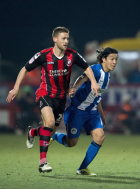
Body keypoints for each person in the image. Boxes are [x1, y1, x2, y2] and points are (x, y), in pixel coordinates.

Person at [6, 27, 100, 173]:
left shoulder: (72, 55)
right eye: (63, 38)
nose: (66, 41)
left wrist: (93, 82)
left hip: (61, 99)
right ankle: (43, 163)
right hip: (45, 94)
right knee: (49, 122)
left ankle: (32, 132)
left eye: (67, 38)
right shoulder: (43, 55)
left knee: (48, 131)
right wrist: (16, 87)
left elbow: (86, 68)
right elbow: (25, 68)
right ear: (55, 39)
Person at [50, 47, 118, 175]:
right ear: (103, 59)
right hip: (77, 111)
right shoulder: (95, 70)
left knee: (100, 137)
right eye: (112, 59)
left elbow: (96, 97)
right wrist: (75, 88)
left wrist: (102, 116)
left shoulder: (108, 76)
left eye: (116, 59)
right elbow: (82, 78)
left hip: (92, 113)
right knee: (71, 143)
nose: (114, 62)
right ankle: (53, 135)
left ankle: (82, 168)